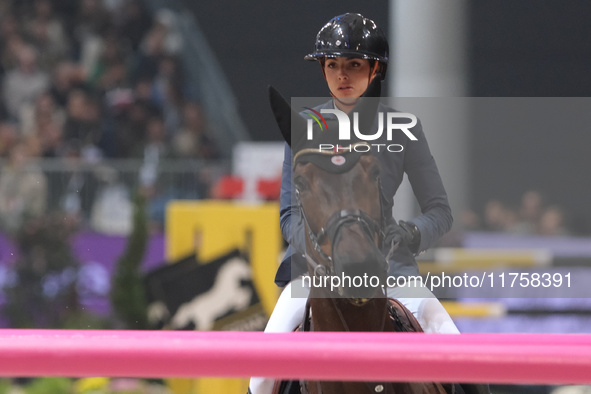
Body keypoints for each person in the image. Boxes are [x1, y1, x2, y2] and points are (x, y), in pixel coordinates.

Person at [249, 13, 459, 394]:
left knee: (460, 354)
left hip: (390, 269)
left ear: (375, 69)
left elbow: (440, 212)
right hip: (315, 272)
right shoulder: (304, 129)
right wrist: (323, 251)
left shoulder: (404, 129)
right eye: (332, 66)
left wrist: (411, 233)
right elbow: (287, 216)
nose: (341, 75)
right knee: (260, 376)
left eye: (353, 65)